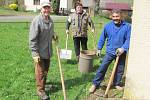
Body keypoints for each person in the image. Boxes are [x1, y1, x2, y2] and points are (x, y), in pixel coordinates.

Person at [89, 9, 131, 93]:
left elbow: (128, 39)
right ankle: (95, 84)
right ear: (111, 17)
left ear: (120, 16)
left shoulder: (127, 26)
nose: (115, 18)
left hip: (121, 52)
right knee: (102, 67)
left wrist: (123, 48)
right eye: (114, 16)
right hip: (110, 51)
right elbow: (102, 38)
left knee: (120, 69)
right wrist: (99, 48)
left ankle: (116, 83)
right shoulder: (107, 26)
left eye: (117, 16)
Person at [29, 1, 58, 99]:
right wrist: (34, 53)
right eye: (44, 8)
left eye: (48, 8)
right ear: (41, 9)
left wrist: (54, 35)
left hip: (48, 51)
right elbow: (32, 39)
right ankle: (40, 91)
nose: (46, 10)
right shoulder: (37, 21)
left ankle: (43, 86)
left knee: (45, 71)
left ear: (50, 9)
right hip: (39, 53)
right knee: (40, 72)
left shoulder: (50, 20)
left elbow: (50, 31)